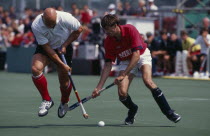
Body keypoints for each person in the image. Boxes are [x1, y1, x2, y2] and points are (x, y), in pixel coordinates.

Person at [92, 14, 181, 125]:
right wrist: (99, 87)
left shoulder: (130, 29)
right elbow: (108, 65)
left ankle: (169, 112)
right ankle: (133, 109)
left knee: (147, 81)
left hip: (141, 55)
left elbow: (136, 55)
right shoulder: (108, 41)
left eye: (109, 31)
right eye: (105, 31)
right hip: (125, 61)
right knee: (122, 93)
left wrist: (123, 74)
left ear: (115, 26)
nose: (107, 33)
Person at [31, 8, 83, 117]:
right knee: (35, 69)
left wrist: (65, 45)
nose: (51, 26)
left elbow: (79, 29)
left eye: (53, 24)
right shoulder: (36, 25)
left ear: (57, 17)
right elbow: (47, 48)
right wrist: (62, 65)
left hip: (65, 46)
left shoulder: (66, 17)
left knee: (64, 83)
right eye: (48, 24)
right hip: (47, 47)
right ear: (43, 18)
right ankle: (47, 100)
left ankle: (64, 103)